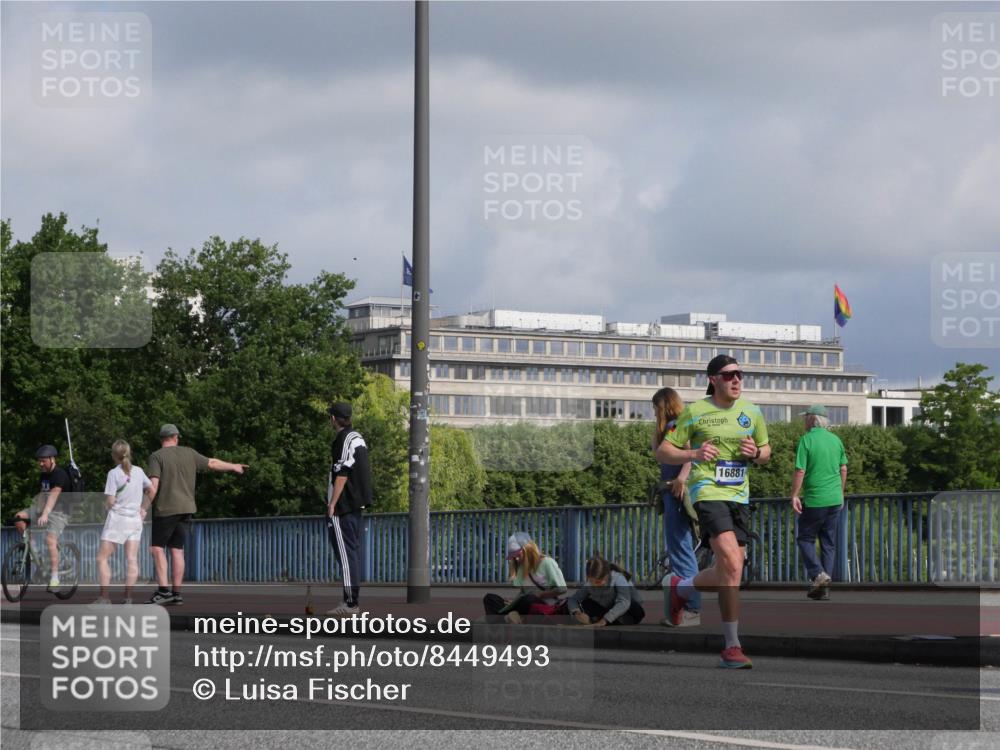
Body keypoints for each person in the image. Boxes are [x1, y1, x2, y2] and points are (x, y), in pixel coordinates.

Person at [658, 355, 770, 669]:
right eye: (729, 375)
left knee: (730, 572)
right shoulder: (695, 412)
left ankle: (680, 587)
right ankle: (732, 647)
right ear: (713, 379)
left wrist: (757, 452)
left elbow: (766, 452)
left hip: (739, 497)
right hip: (707, 493)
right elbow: (663, 450)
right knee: (732, 562)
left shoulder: (752, 412)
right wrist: (694, 452)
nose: (736, 380)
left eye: (740, 374)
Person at [143, 424, 248, 605]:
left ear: (161, 438)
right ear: (176, 437)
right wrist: (234, 466)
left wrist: (143, 507)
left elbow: (153, 485)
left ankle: (163, 591)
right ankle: (176, 593)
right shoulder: (190, 453)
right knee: (177, 550)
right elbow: (212, 463)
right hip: (187, 508)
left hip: (166, 509)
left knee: (157, 549)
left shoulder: (156, 456)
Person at [651, 387, 701, 627]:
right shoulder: (675, 425)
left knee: (681, 549)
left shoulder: (675, 425)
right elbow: (659, 455)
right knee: (680, 548)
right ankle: (683, 609)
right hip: (674, 490)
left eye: (655, 409)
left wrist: (681, 478)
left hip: (676, 490)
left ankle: (692, 608)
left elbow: (690, 453)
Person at [791, 405, 848, 601]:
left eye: (805, 417)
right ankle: (823, 589)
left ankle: (818, 574)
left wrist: (795, 495)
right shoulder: (836, 440)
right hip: (835, 499)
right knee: (828, 543)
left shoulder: (806, 440)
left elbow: (800, 470)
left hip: (816, 499)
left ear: (811, 419)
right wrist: (840, 493)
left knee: (805, 538)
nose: (803, 421)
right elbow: (843, 469)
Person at [326, 402, 373, 617]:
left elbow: (342, 473)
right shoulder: (358, 437)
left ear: (334, 419)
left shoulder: (343, 440)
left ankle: (351, 603)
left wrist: (332, 503)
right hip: (356, 504)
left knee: (345, 555)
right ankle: (351, 600)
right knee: (352, 554)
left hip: (343, 506)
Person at [95, 440, 153, 604]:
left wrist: (105, 508)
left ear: (114, 455)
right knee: (132, 559)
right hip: (135, 520)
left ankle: (105, 598)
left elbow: (110, 500)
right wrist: (144, 508)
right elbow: (152, 490)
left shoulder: (114, 473)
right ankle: (128, 599)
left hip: (118, 519)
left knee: (102, 558)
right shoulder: (139, 471)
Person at [14, 445, 73, 591]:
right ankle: (34, 550)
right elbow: (42, 495)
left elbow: (53, 497)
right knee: (19, 518)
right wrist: (37, 511)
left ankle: (54, 578)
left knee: (49, 540)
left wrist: (45, 514)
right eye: (39, 461)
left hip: (60, 513)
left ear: (52, 459)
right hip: (45, 509)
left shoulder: (60, 475)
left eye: (43, 461)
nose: (40, 464)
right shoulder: (43, 475)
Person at [483, 532, 568, 623]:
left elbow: (562, 589)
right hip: (525, 603)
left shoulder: (547, 562)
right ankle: (509, 618)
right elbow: (523, 592)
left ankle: (504, 619)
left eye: (517, 555)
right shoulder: (521, 567)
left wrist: (540, 594)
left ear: (527, 549)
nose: (516, 559)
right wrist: (513, 602)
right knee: (490, 598)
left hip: (542, 605)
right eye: (513, 556)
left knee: (528, 598)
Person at [567, 554, 645, 626]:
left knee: (626, 603)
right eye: (591, 581)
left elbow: (624, 602)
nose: (594, 585)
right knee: (586, 604)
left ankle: (601, 621)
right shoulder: (589, 584)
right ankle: (595, 621)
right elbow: (573, 599)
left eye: (598, 582)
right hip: (608, 611)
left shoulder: (618, 578)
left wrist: (604, 620)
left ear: (607, 576)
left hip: (630, 612)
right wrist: (577, 612)